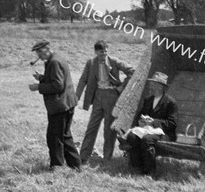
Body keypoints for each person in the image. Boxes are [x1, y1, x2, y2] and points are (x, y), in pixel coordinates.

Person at [76, 40, 134, 163]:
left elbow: (132, 71)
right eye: (101, 52)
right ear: (96, 52)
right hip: (98, 96)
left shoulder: (114, 61)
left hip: (112, 96)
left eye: (106, 52)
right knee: (91, 127)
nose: (104, 55)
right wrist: (76, 97)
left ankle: (107, 159)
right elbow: (83, 80)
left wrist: (121, 87)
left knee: (109, 130)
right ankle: (83, 158)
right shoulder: (91, 63)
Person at [29, 40, 81, 171]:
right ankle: (75, 165)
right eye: (37, 53)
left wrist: (38, 87)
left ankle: (57, 166)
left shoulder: (54, 62)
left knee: (54, 137)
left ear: (46, 49)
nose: (39, 56)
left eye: (40, 52)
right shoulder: (55, 58)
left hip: (60, 105)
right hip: (66, 103)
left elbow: (58, 85)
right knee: (64, 135)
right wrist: (42, 78)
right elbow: (56, 79)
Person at [125, 72, 177, 176]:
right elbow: (140, 116)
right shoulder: (148, 100)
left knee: (147, 140)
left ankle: (150, 172)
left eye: (153, 84)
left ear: (160, 87)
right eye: (152, 84)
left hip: (164, 134)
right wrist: (141, 121)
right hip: (146, 130)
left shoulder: (170, 102)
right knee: (132, 137)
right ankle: (137, 168)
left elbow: (172, 123)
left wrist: (154, 122)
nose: (151, 86)